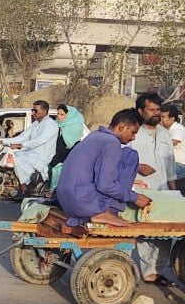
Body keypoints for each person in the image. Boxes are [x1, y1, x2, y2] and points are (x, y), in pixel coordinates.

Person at [56, 109, 151, 227]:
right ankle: (108, 212)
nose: (134, 138)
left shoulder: (95, 135)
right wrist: (135, 197)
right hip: (83, 203)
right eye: (133, 132)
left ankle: (102, 210)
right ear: (121, 128)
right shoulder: (111, 142)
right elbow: (105, 185)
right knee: (130, 155)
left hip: (66, 202)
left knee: (124, 154)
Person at [129, 92, 177, 285]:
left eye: (158, 110)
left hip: (164, 188)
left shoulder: (165, 133)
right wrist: (137, 168)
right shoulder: (133, 132)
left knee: (166, 232)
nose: (156, 113)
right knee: (145, 231)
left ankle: (160, 268)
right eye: (152, 110)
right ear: (141, 111)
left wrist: (174, 191)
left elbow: (170, 165)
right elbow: (122, 159)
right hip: (141, 187)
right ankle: (149, 271)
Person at [2, 100, 59, 190]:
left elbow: (39, 140)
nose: (33, 113)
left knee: (16, 157)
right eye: (33, 110)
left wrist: (20, 145)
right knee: (10, 154)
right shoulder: (36, 124)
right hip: (31, 152)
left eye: (36, 110)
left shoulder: (51, 125)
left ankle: (25, 184)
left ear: (44, 111)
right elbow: (22, 137)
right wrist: (2, 141)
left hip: (42, 155)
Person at [48, 104, 88, 189]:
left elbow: (66, 148)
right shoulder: (57, 125)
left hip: (66, 160)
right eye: (57, 114)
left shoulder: (74, 127)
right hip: (55, 156)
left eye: (62, 114)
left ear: (69, 115)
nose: (58, 117)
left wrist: (52, 162)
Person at [159, 104, 185, 189]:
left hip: (180, 164)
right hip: (169, 163)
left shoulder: (178, 129)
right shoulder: (163, 129)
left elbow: (170, 144)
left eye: (163, 117)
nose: (160, 119)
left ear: (172, 118)